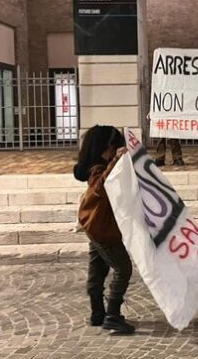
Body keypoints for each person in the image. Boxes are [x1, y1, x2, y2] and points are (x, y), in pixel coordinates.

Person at [73, 125, 136, 335]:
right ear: (107, 148)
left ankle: (97, 314)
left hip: (95, 227)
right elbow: (101, 187)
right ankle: (113, 315)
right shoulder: (98, 169)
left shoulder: (99, 165)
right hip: (103, 230)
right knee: (123, 268)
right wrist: (116, 161)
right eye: (115, 147)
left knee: (97, 271)